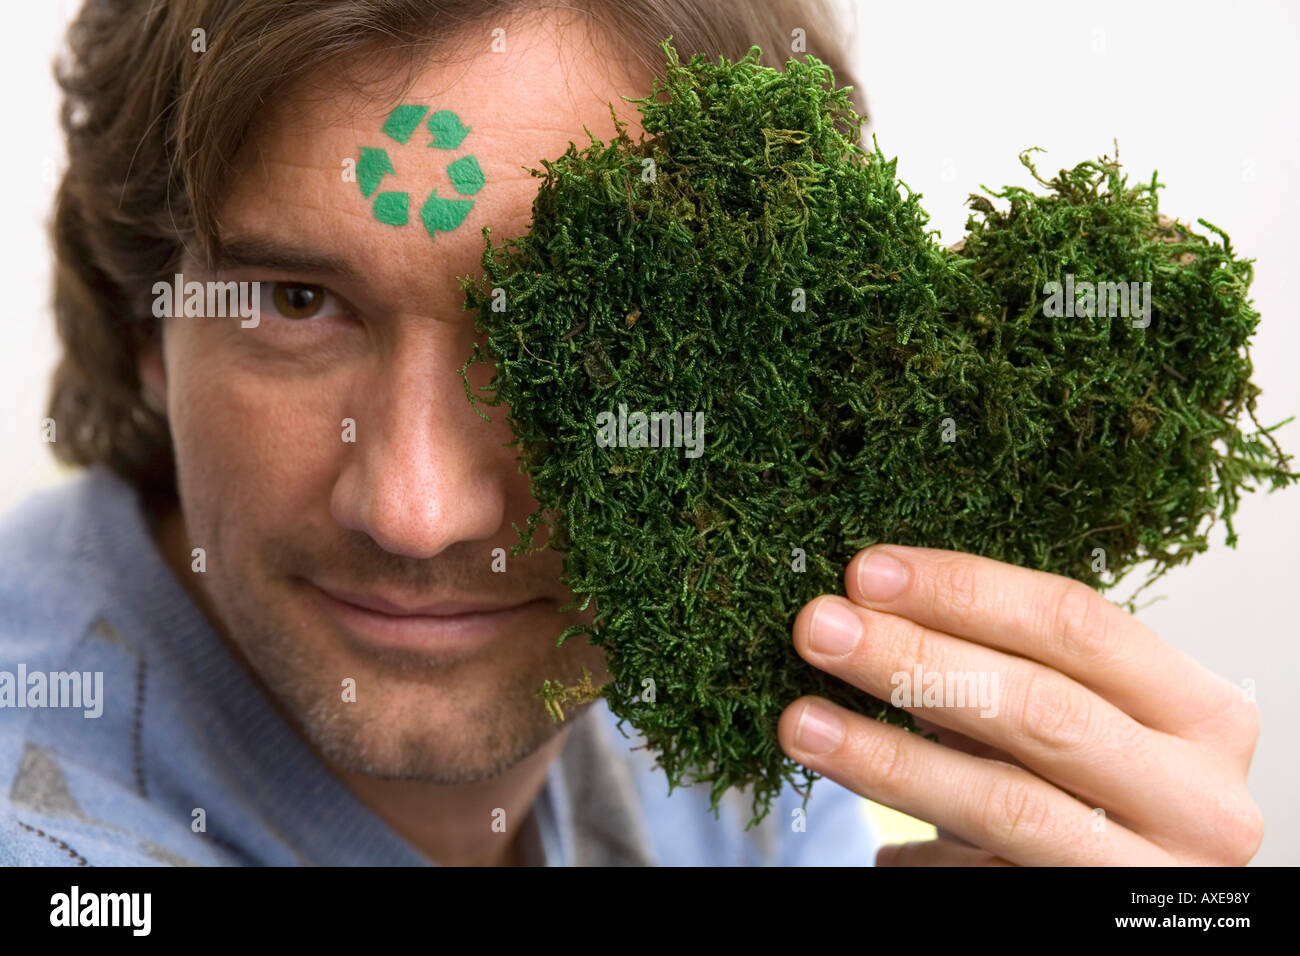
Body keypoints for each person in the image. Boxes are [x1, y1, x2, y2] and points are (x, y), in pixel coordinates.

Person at [0, 0, 1263, 867]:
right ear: (142, 318)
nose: (416, 506)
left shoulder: (736, 681)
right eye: (295, 302)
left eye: (575, 321)